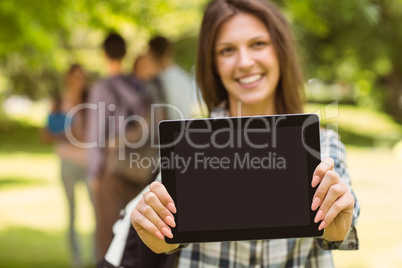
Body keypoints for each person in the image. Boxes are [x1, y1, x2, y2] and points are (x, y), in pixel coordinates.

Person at [130, 0, 360, 267]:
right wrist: (161, 233)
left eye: (258, 44)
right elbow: (166, 229)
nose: (245, 62)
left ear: (280, 51)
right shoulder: (189, 143)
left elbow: (343, 220)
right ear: (213, 63)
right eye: (227, 50)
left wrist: (339, 222)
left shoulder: (321, 143)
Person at [86, 32, 153, 261]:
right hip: (140, 170)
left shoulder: (102, 88)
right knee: (133, 239)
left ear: (104, 53)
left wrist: (94, 173)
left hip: (113, 171)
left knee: (108, 239)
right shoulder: (140, 87)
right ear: (125, 53)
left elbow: (97, 134)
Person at [43, 64, 92, 267]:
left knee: (97, 211)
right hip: (67, 163)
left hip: (89, 164)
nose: (78, 81)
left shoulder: (91, 103)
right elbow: (45, 135)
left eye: (82, 77)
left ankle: (100, 255)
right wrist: (66, 132)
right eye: (75, 77)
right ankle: (76, 258)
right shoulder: (58, 102)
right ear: (68, 79)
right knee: (72, 212)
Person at [146, 35, 200, 120]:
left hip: (167, 130)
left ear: (151, 52)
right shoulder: (184, 77)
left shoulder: (157, 81)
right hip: (184, 128)